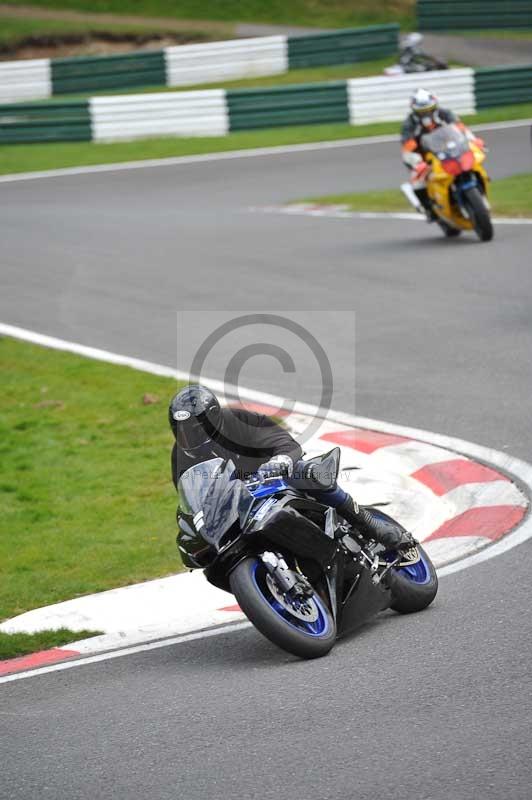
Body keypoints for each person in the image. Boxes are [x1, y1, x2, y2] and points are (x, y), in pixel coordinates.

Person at [169, 384, 415, 551]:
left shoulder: (238, 421)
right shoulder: (180, 455)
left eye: (196, 429)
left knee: (311, 474)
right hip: (239, 502)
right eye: (183, 432)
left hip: (273, 479)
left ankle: (371, 524)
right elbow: (191, 494)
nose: (190, 437)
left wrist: (279, 462)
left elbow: (284, 442)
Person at [401, 88, 482, 220]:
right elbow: (408, 147)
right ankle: (429, 209)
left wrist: (474, 140)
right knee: (418, 182)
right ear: (415, 111)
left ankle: (477, 186)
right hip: (424, 155)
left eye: (429, 109)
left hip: (450, 147)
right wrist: (417, 163)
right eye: (422, 112)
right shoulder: (409, 124)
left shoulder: (445, 114)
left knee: (472, 160)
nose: (426, 114)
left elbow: (461, 128)